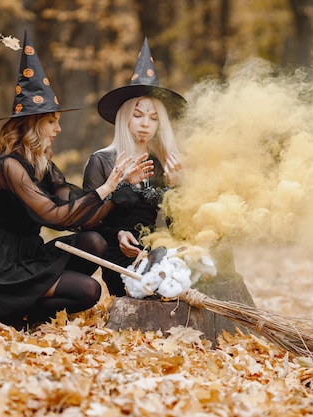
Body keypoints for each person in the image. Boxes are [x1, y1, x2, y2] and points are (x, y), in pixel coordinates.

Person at [0, 31, 153, 327]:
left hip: (30, 253)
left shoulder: (44, 164)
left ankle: (23, 313)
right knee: (90, 290)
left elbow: (78, 214)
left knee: (94, 241)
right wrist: (108, 187)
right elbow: (54, 216)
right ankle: (9, 314)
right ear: (32, 124)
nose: (58, 129)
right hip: (1, 266)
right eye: (52, 121)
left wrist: (120, 187)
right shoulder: (8, 166)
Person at [83, 38, 187, 296]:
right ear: (125, 116)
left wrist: (175, 189)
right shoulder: (101, 161)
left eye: (153, 118)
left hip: (156, 253)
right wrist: (118, 233)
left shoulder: (162, 164)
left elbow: (174, 229)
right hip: (115, 256)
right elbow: (86, 222)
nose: (145, 124)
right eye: (138, 115)